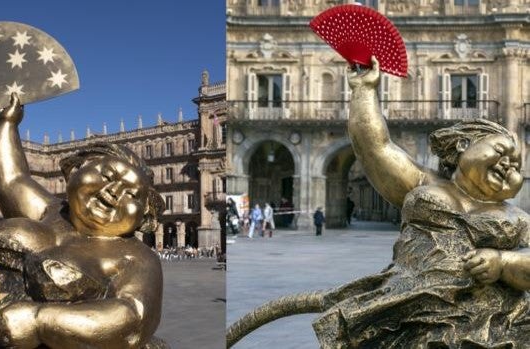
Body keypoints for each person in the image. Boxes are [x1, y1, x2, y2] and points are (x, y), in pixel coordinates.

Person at [227, 57, 530, 348]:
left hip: (488, 322)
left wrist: (504, 263)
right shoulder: (424, 183)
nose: (509, 165)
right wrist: (364, 90)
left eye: (517, 164)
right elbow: (375, 147)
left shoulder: (517, 217)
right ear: (464, 144)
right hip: (406, 311)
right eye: (502, 151)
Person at [0, 94, 166, 348]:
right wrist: (6, 124)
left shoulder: (138, 257)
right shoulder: (51, 211)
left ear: (144, 215)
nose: (114, 191)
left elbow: (134, 316)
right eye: (107, 175)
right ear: (78, 171)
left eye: (132, 194)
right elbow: (11, 179)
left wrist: (40, 322)